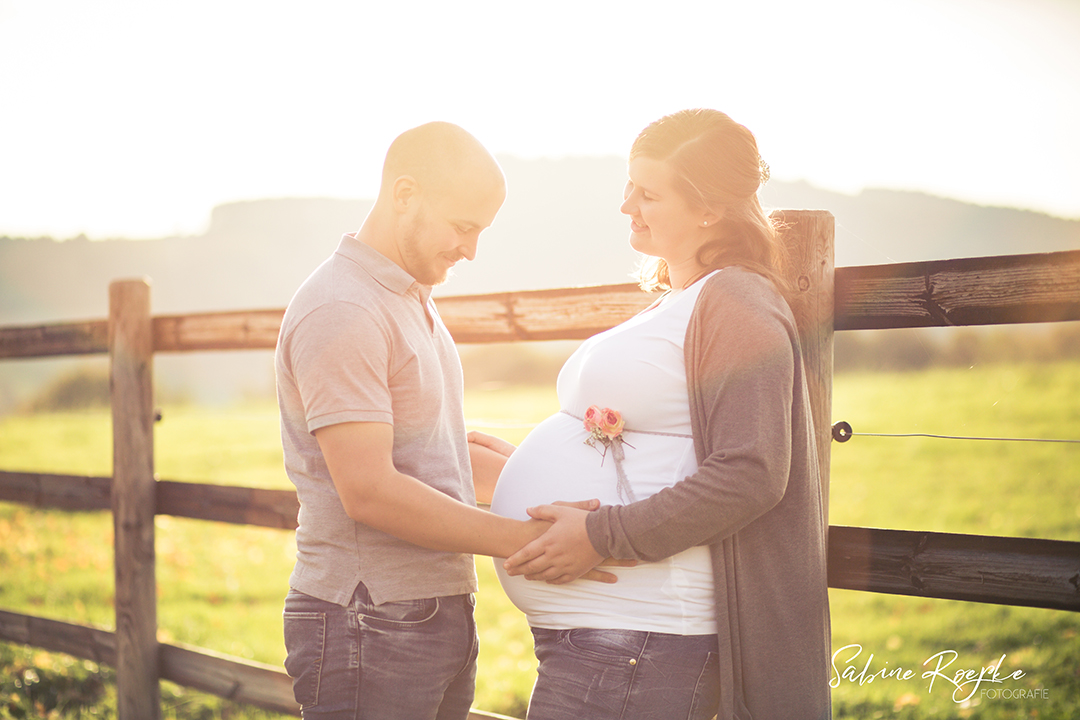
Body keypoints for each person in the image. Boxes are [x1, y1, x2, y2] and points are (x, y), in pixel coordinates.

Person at [473, 109, 832, 720]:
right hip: (610, 643)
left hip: (641, 640)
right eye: (628, 186)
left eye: (648, 192)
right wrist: (517, 473)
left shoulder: (738, 300)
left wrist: (597, 535)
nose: (626, 206)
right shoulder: (682, 302)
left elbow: (752, 472)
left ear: (709, 209)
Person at [274, 121, 615, 720]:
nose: (472, 250)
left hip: (427, 610)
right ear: (405, 195)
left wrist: (557, 486)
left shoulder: (405, 298)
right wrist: (525, 544)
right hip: (369, 619)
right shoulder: (342, 308)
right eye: (464, 227)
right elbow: (371, 491)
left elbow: (428, 450)